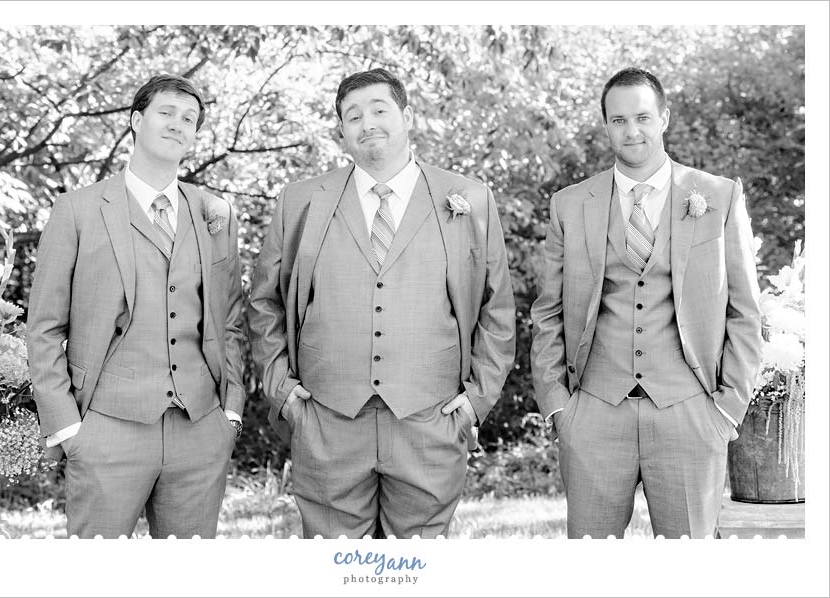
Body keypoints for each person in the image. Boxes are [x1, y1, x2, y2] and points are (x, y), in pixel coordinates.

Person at [248, 68, 515, 539]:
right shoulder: (301, 201)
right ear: (342, 130)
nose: (367, 123)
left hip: (430, 422)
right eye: (353, 116)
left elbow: (497, 309)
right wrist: (282, 390)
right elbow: (264, 302)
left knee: (416, 567)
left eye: (379, 110)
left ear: (406, 116)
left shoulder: (469, 198)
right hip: (326, 422)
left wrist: (477, 400)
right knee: (336, 567)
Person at [530, 67, 762, 539]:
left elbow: (745, 311)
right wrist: (559, 408)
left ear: (664, 118)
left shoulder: (718, 196)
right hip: (594, 414)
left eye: (642, 118)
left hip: (690, 413)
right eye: (618, 120)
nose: (631, 131)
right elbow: (547, 312)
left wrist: (727, 409)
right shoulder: (570, 204)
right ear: (606, 125)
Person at [27, 74, 245, 539]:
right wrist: (67, 428)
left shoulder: (215, 213)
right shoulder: (78, 210)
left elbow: (230, 320)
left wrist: (230, 412)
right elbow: (44, 327)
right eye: (167, 113)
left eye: (189, 119)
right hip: (105, 429)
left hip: (200, 430)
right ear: (136, 120)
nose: (178, 124)